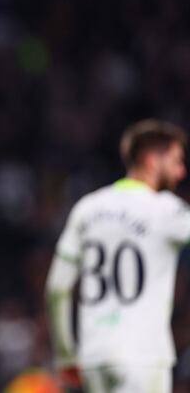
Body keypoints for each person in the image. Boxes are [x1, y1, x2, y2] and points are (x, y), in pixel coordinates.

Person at [45, 119, 189, 393]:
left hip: (94, 357)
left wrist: (65, 354)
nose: (181, 172)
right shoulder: (166, 210)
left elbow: (57, 289)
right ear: (151, 159)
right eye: (176, 160)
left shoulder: (87, 208)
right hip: (144, 356)